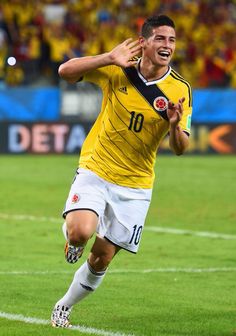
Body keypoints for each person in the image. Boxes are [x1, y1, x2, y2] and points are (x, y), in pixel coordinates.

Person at [51, 14, 193, 328]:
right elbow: (64, 71)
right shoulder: (120, 68)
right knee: (81, 232)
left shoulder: (179, 88)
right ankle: (73, 241)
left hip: (136, 185)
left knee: (101, 257)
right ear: (144, 42)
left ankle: (63, 305)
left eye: (171, 39)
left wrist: (173, 126)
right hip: (96, 168)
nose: (167, 45)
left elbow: (181, 147)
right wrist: (108, 58)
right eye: (160, 38)